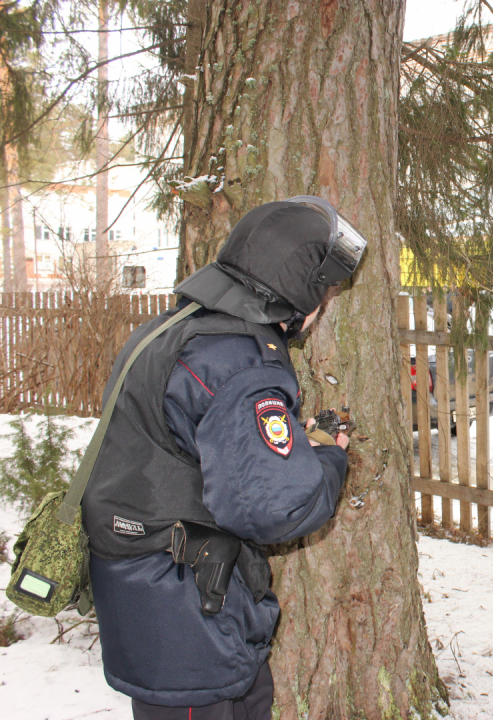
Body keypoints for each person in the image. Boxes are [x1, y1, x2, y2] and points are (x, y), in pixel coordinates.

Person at [81, 197, 367, 719]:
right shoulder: (238, 359)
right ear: (302, 295)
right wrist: (328, 460)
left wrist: (278, 447)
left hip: (166, 597)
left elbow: (186, 447)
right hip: (187, 617)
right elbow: (276, 506)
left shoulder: (177, 328)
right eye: (324, 293)